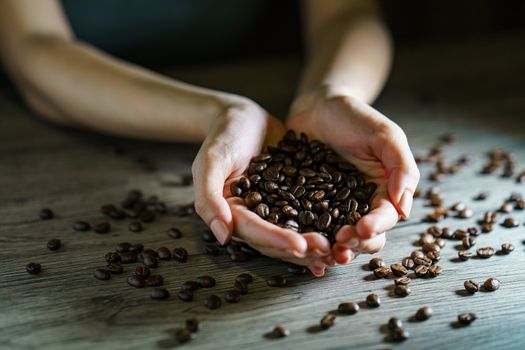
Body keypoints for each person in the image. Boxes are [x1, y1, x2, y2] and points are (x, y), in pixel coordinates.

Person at [0, 0, 419, 276]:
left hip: (273, 79)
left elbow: (347, 13)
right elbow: (34, 49)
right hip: (60, 134)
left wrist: (332, 94)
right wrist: (221, 114)